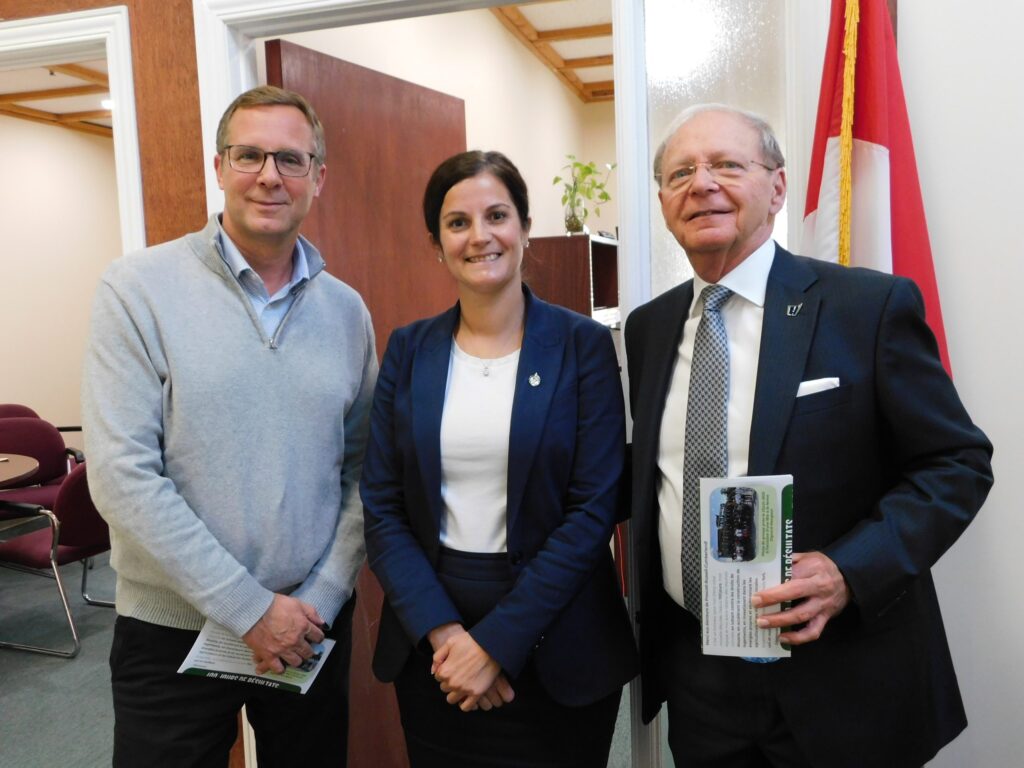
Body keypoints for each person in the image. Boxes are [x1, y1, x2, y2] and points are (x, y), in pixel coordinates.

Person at [624, 104, 993, 768]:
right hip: (701, 682)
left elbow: (957, 464)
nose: (702, 183)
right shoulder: (648, 330)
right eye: (681, 172)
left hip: (843, 679)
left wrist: (850, 570)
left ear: (778, 187)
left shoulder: (867, 307)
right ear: (662, 201)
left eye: (727, 165)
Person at [81, 85, 377, 767]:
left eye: (291, 160)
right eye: (250, 155)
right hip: (171, 629)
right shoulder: (136, 290)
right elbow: (124, 478)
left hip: (310, 626)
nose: (270, 176)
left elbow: (362, 471)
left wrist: (323, 597)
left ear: (318, 178)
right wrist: (249, 610)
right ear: (218, 167)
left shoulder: (346, 312)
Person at [360, 150, 638, 767]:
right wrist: (449, 637)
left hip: (560, 638)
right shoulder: (408, 351)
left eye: (496, 215)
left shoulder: (582, 346)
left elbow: (592, 510)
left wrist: (497, 643)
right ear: (437, 242)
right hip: (436, 648)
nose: (479, 236)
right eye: (458, 223)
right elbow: (381, 505)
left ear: (524, 227)